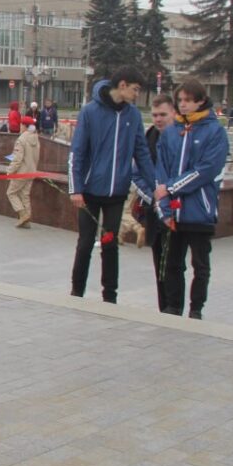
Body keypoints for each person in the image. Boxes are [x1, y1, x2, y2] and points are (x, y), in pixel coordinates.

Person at [68, 67, 156, 303]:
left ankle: (110, 296)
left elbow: (142, 153)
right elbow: (77, 153)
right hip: (89, 191)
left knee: (110, 243)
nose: (137, 95)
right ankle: (77, 292)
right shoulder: (90, 112)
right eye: (135, 89)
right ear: (123, 85)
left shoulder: (133, 115)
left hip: (117, 192)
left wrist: (156, 185)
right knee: (85, 243)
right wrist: (76, 189)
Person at [155, 79, 229, 320]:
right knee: (173, 262)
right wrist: (164, 208)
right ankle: (173, 307)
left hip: (200, 209)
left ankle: (196, 308)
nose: (183, 105)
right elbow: (161, 172)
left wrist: (172, 188)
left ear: (200, 101)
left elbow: (206, 169)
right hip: (174, 212)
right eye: (180, 100)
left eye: (188, 100)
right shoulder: (171, 133)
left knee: (201, 264)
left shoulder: (214, 131)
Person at [138, 95, 175, 311]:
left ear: (173, 113)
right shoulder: (149, 136)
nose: (158, 119)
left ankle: (174, 310)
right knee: (159, 261)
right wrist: (153, 196)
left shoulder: (181, 136)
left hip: (176, 211)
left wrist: (168, 196)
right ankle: (164, 309)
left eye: (163, 114)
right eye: (154, 115)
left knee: (174, 265)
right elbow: (137, 173)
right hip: (154, 210)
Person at [6, 116, 40, 228]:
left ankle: (23, 214)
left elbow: (17, 159)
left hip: (21, 172)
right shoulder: (36, 138)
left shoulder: (21, 139)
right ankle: (26, 221)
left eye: (21, 124)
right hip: (31, 171)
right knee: (25, 195)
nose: (20, 126)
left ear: (24, 126)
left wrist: (10, 171)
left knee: (11, 193)